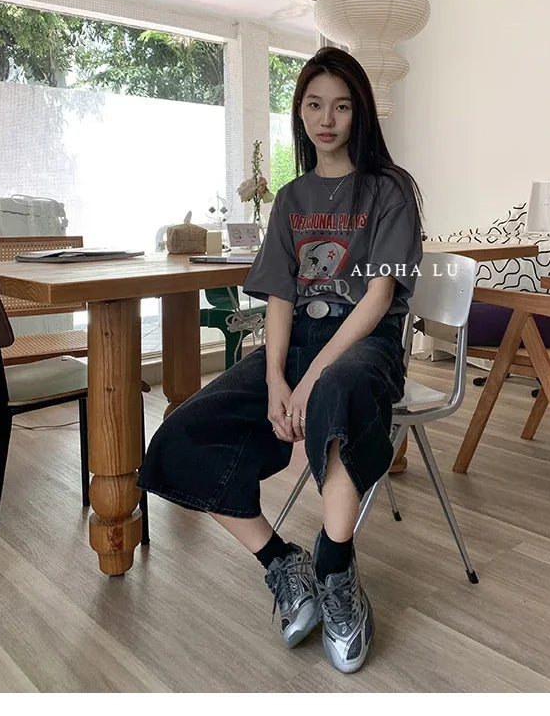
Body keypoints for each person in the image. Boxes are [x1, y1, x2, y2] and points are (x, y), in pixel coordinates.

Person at [139, 47, 424, 674]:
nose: (327, 119)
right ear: (299, 113)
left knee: (338, 392)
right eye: (314, 105)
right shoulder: (291, 198)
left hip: (364, 344)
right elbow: (280, 298)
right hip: (294, 345)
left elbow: (378, 298)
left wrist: (312, 377)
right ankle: (282, 562)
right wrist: (274, 377)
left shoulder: (390, 189)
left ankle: (336, 569)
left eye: (341, 106)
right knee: (181, 435)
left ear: (360, 114)